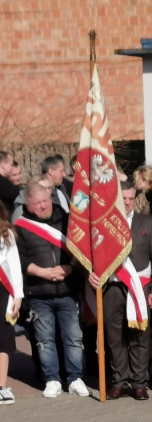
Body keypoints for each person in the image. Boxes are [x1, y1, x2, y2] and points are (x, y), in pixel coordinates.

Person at [88, 182, 152, 400]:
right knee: (115, 337)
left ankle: (140, 382)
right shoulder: (103, 223)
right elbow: (92, 254)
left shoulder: (148, 222)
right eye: (124, 198)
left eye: (131, 198)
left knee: (141, 336)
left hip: (140, 288)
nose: (128, 202)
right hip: (112, 287)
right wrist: (91, 273)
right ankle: (120, 381)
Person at [14, 183, 89, 398]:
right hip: (38, 293)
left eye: (45, 200)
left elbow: (81, 248)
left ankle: (75, 378)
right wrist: (43, 273)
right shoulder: (21, 227)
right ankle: (52, 380)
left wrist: (69, 267)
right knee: (44, 340)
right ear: (28, 205)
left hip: (67, 289)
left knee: (73, 338)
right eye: (37, 203)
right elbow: (20, 259)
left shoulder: (68, 220)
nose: (43, 205)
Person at [0, 202, 23, 404]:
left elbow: (14, 266)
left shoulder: (6, 234)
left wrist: (18, 295)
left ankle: (2, 386)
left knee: (4, 340)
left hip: (3, 291)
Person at [0, 151, 20, 215]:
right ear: (3, 166)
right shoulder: (3, 184)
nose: (11, 168)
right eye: (11, 164)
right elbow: (16, 194)